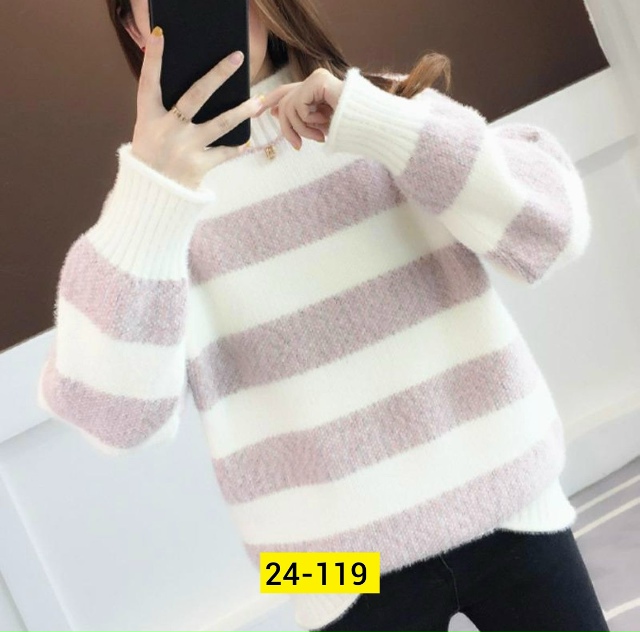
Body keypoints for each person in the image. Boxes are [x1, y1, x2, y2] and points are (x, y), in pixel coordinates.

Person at [36, 1, 610, 631]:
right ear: (135, 28)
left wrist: (379, 124)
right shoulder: (152, 210)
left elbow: (553, 230)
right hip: (321, 569)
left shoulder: (374, 109)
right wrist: (152, 193)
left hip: (509, 495)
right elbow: (116, 421)